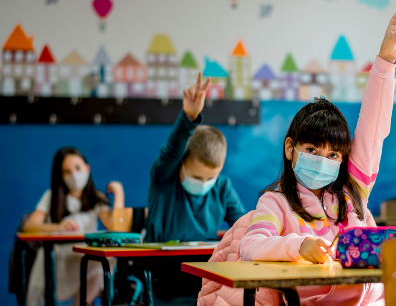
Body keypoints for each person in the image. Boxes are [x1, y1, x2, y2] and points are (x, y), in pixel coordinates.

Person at [237, 7, 396, 305]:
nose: (322, 161)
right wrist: (298, 245)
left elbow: (373, 127)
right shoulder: (276, 202)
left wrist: (385, 61)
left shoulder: (353, 190)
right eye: (311, 150)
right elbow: (251, 246)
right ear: (290, 148)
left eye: (333, 154)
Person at [146, 72, 247, 305]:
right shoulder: (164, 179)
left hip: (206, 277)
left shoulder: (222, 186)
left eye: (210, 177)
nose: (203, 183)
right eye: (196, 176)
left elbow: (242, 224)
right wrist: (189, 117)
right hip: (164, 279)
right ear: (181, 163)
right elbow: (171, 150)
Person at [24, 147, 124, 306]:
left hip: (84, 256)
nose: (74, 175)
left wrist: (119, 193)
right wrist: (58, 227)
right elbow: (29, 226)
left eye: (78, 168)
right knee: (98, 267)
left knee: (101, 268)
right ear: (61, 176)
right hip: (59, 259)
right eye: (67, 171)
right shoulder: (52, 196)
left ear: (87, 168)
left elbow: (117, 226)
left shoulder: (96, 199)